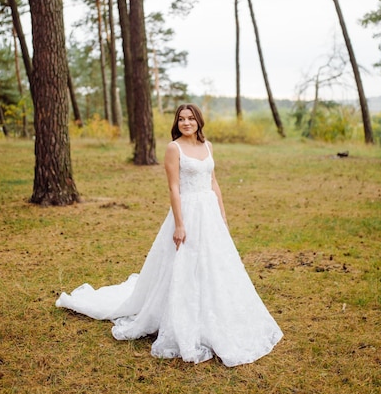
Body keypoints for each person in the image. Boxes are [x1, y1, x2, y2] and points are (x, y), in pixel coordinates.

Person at [56, 104, 283, 367]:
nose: (187, 123)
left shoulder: (207, 146)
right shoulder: (173, 148)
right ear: (177, 123)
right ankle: (181, 316)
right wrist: (179, 224)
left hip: (209, 212)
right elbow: (174, 188)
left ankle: (216, 312)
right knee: (184, 264)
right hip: (187, 211)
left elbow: (213, 182)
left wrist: (222, 215)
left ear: (199, 121)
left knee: (214, 264)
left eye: (191, 119)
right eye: (182, 119)